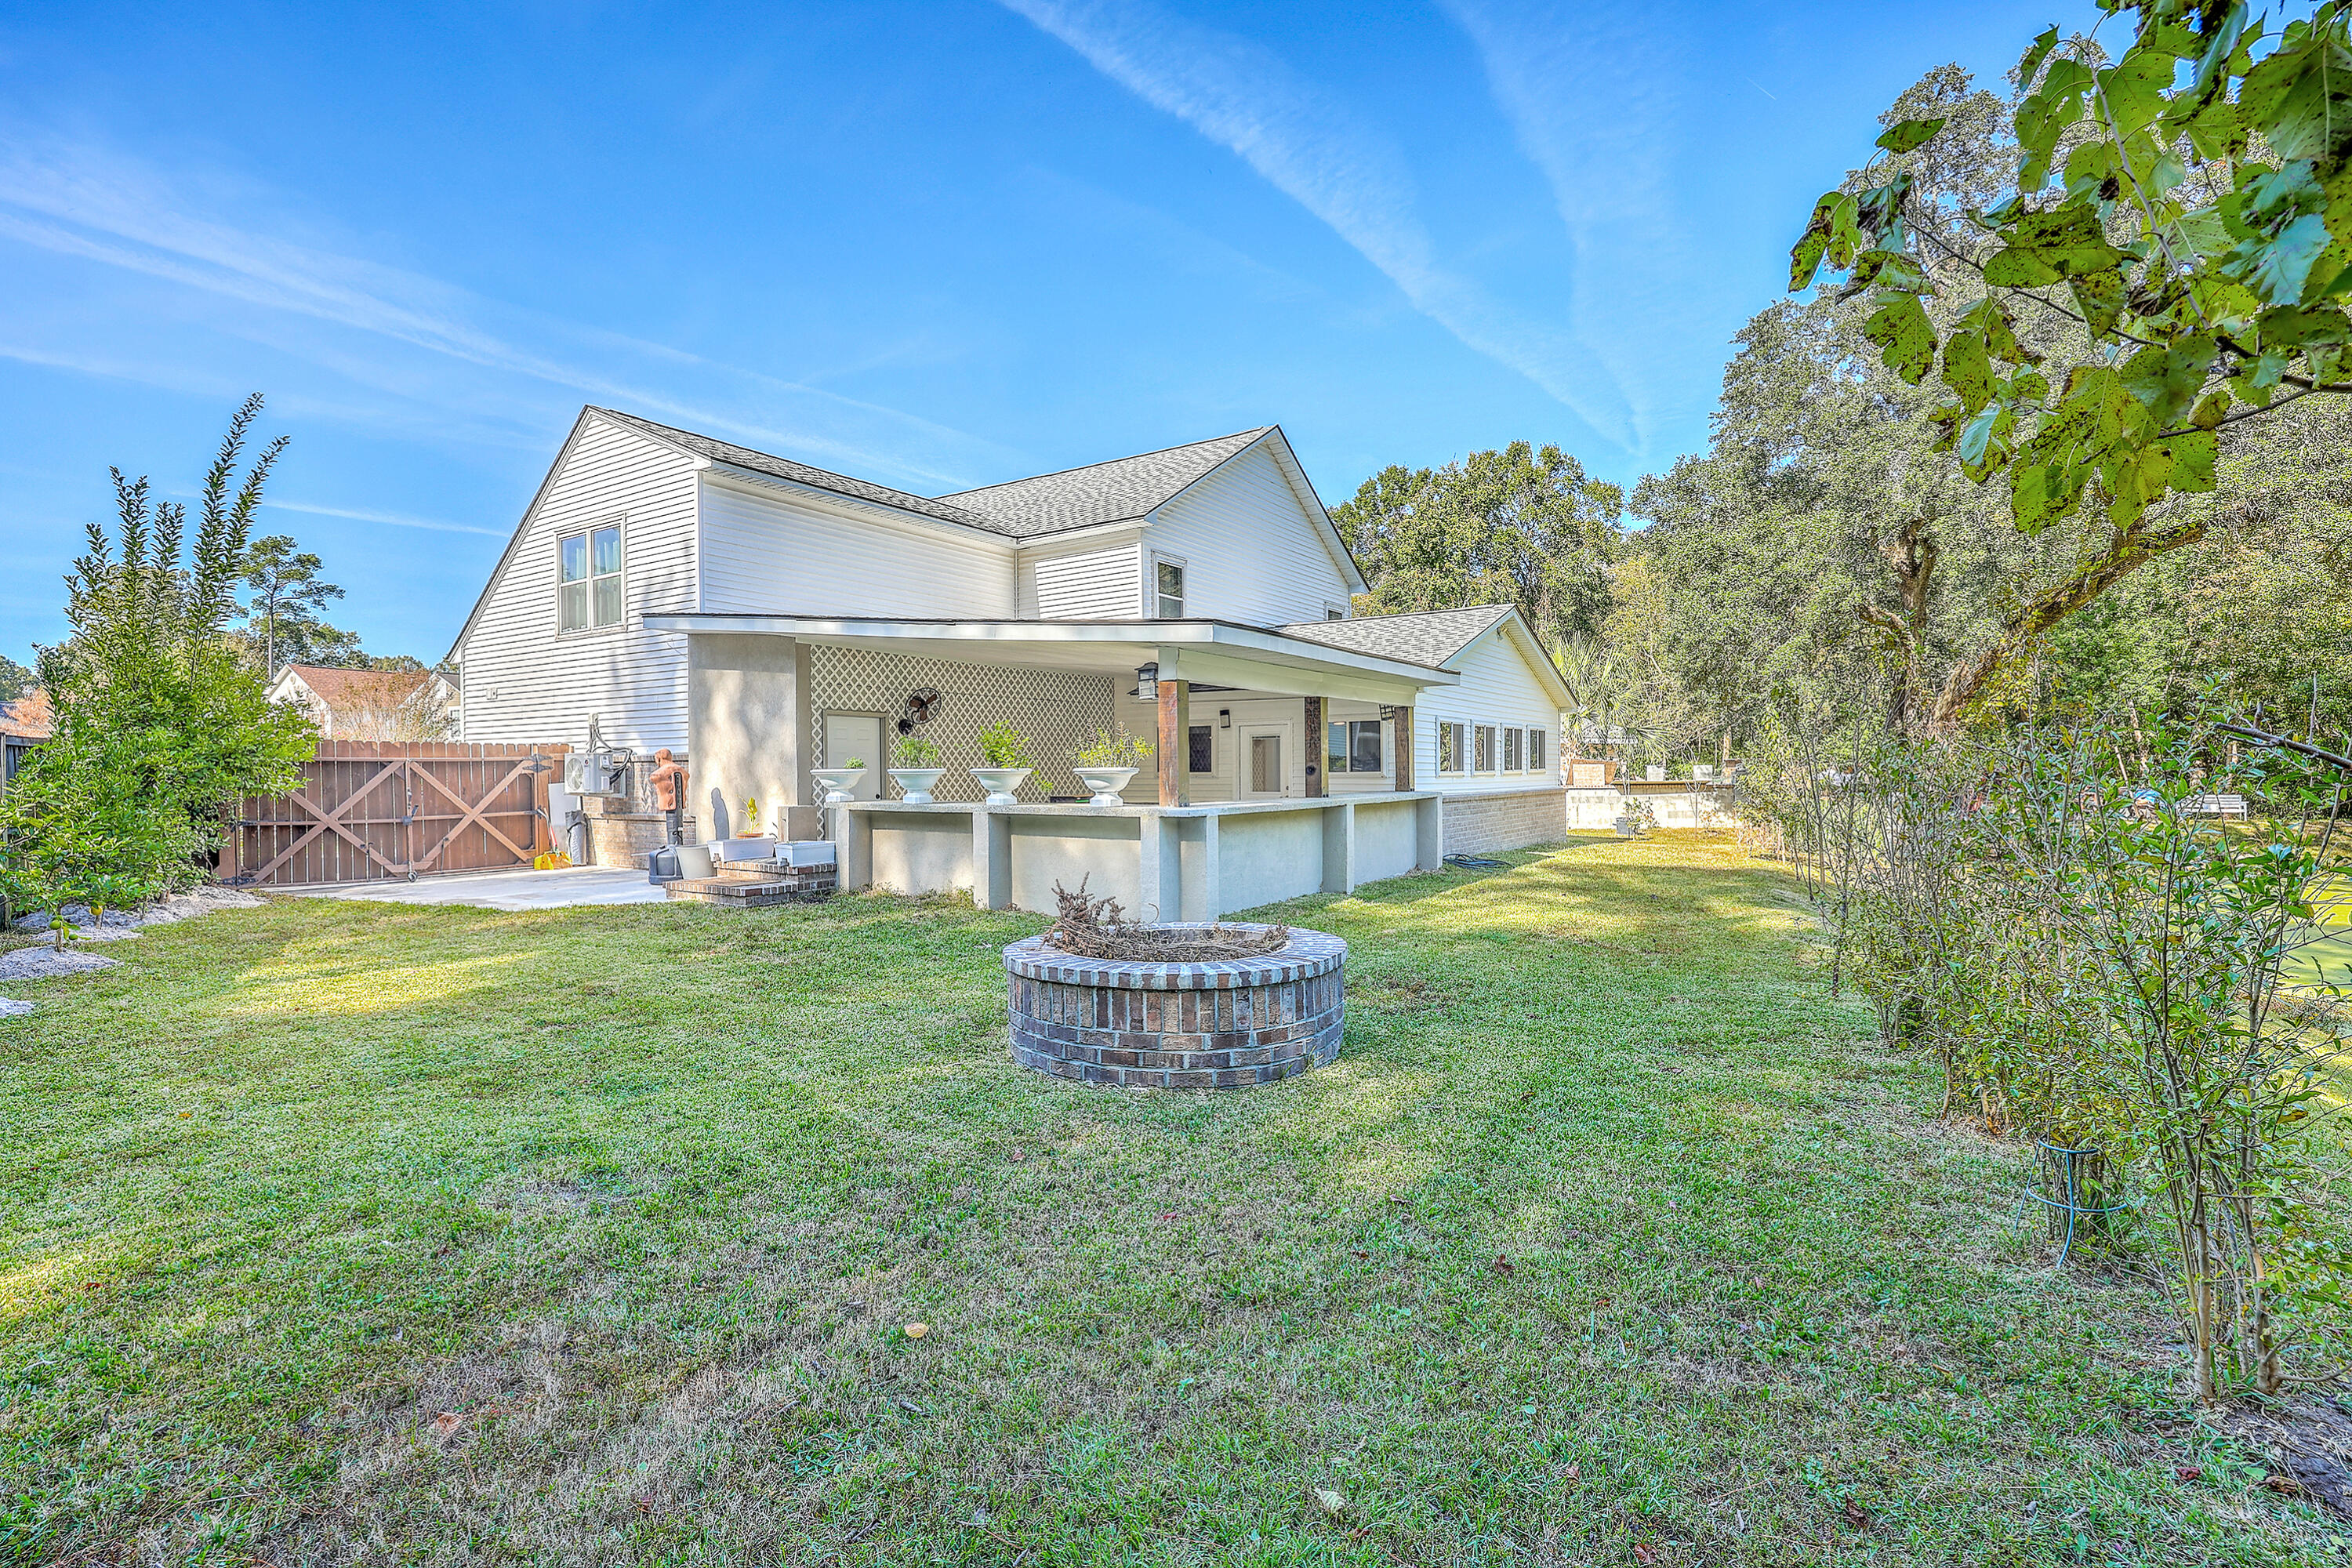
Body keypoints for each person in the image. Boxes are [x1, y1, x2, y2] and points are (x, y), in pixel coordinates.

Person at [648, 749, 688, 844]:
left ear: (659, 759)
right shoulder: (683, 772)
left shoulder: (657, 775)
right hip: (678, 806)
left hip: (669, 805)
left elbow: (653, 777)